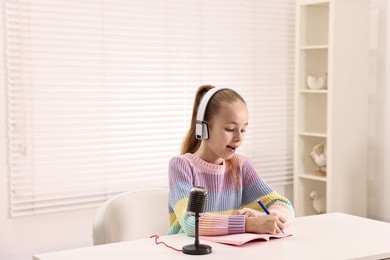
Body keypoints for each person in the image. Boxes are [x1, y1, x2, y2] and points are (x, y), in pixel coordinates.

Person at [168, 85, 294, 237]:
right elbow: (191, 223)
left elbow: (284, 205)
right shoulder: (181, 166)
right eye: (230, 129)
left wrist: (267, 218)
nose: (239, 138)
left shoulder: (241, 166)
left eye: (243, 130)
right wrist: (249, 224)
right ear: (203, 128)